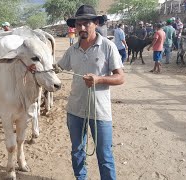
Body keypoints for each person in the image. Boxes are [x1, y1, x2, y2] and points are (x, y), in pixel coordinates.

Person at [56, 4, 124, 180]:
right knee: (77, 151)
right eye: (79, 25)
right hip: (75, 109)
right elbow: (57, 68)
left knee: (105, 156)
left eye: (86, 24)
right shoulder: (72, 50)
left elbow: (120, 78)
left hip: (100, 112)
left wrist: (99, 79)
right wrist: (36, 65)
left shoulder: (108, 46)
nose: (82, 28)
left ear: (96, 23)